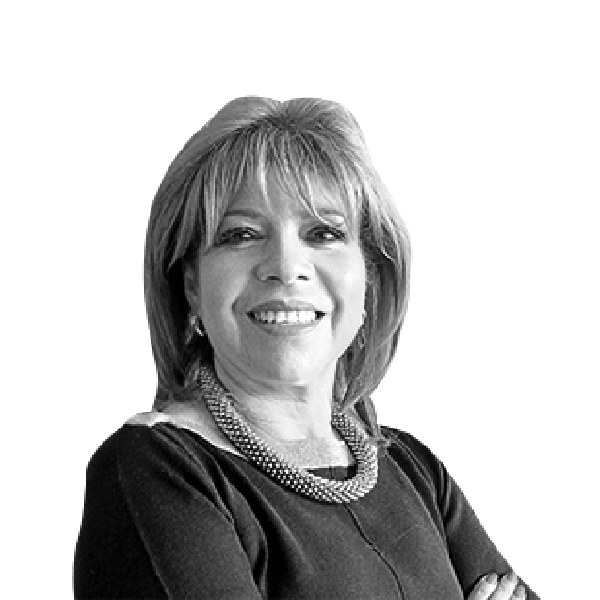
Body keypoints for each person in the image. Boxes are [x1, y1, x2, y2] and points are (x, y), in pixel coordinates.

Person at [73, 96, 540, 599]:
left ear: (369, 278)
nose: (285, 266)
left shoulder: (414, 468)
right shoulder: (157, 469)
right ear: (191, 286)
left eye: (323, 233)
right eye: (241, 234)